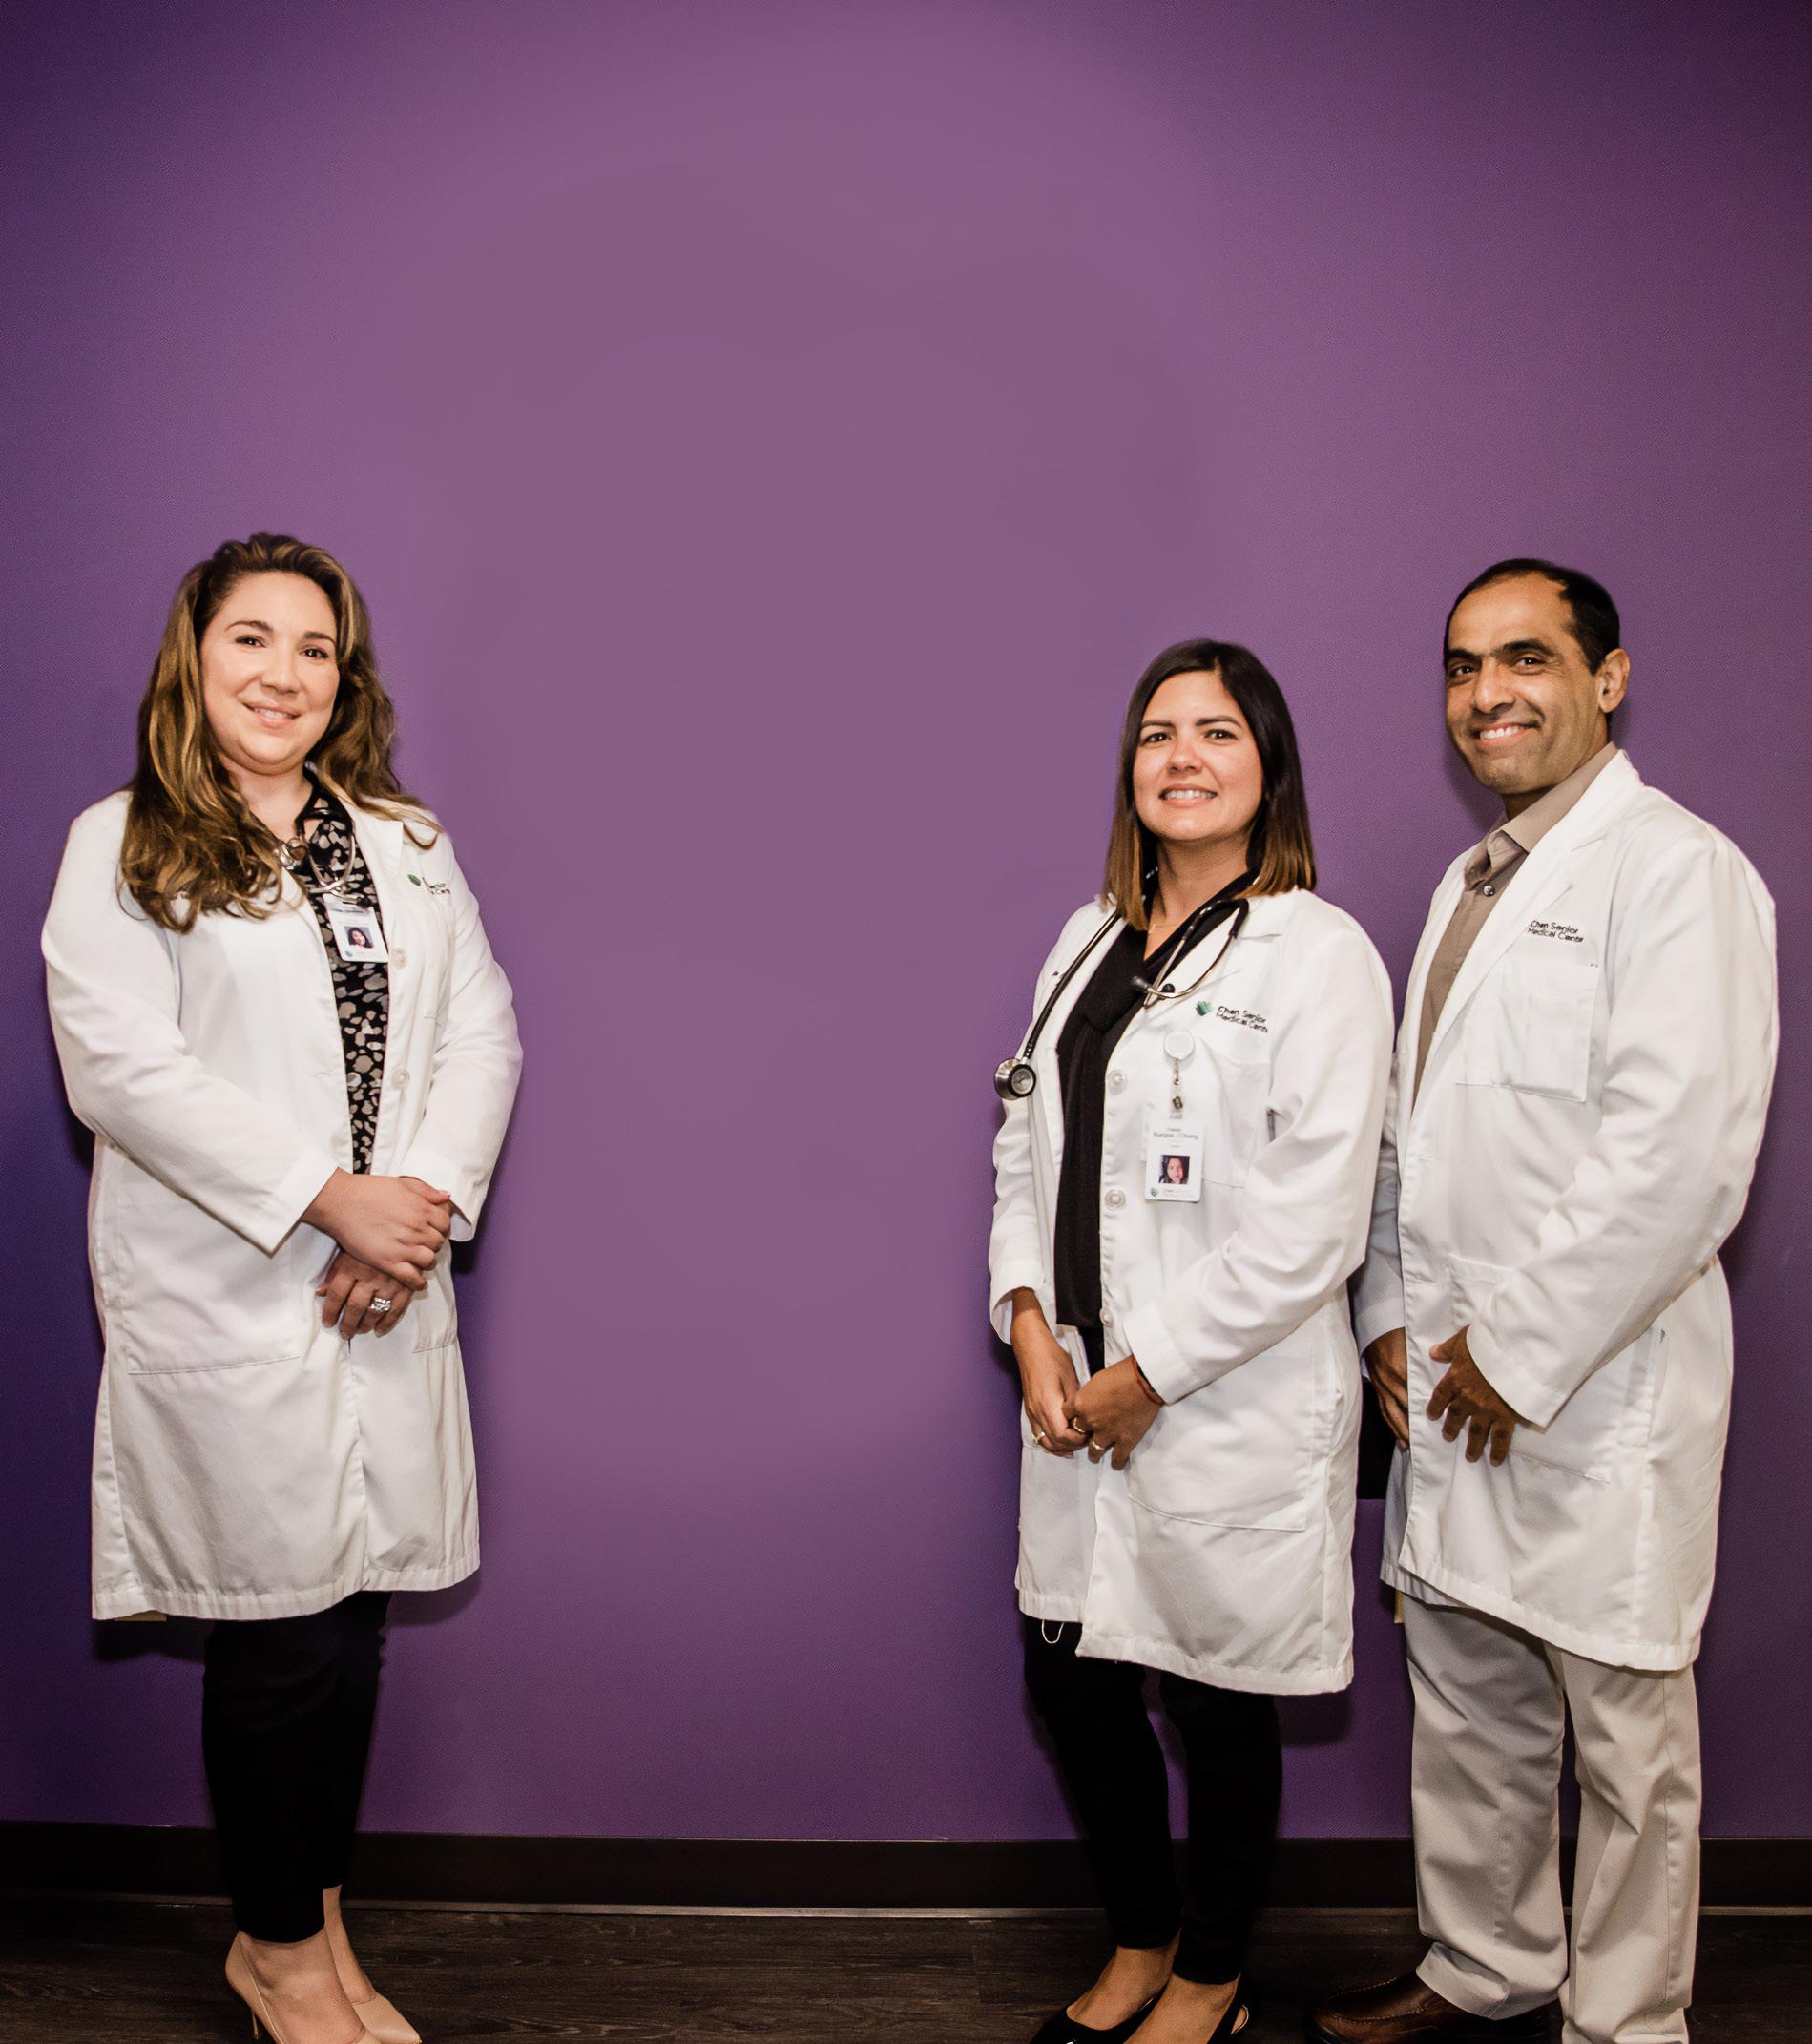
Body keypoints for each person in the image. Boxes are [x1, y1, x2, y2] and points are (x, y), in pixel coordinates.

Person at [42, 533, 522, 2044]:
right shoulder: (121, 842)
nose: (284, 673)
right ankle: (276, 1952)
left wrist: (411, 1213)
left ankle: (312, 1919)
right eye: (252, 638)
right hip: (237, 1289)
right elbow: (122, 1070)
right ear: (194, 658)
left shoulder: (405, 843)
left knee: (351, 1616)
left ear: (345, 679)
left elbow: (483, 1031)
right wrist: (328, 1200)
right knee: (278, 1632)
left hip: (380, 1283)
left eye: (315, 648)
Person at [1310, 562, 1778, 2044]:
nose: (1487, 692)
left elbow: (1680, 1157)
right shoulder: (1470, 883)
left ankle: (1626, 2022)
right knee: (1468, 1705)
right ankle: (1484, 1963)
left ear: (1609, 677)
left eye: (1526, 657)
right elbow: (1412, 1139)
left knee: (1627, 1743)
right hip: (1444, 1387)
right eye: (1463, 665)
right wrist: (1388, 1315)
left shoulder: (1678, 870)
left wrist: (1512, 1355)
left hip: (1586, 1393)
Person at [989, 640, 1393, 2044]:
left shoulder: (1318, 954)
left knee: (1219, 1705)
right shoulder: (1084, 940)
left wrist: (1149, 1369)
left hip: (1223, 1396)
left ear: (1268, 766)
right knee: (1073, 1682)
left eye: (1217, 731)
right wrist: (1025, 1318)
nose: (1182, 756)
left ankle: (1212, 1981)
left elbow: (1314, 1220)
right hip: (1073, 1389)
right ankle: (1140, 1939)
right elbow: (1022, 1145)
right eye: (1159, 732)